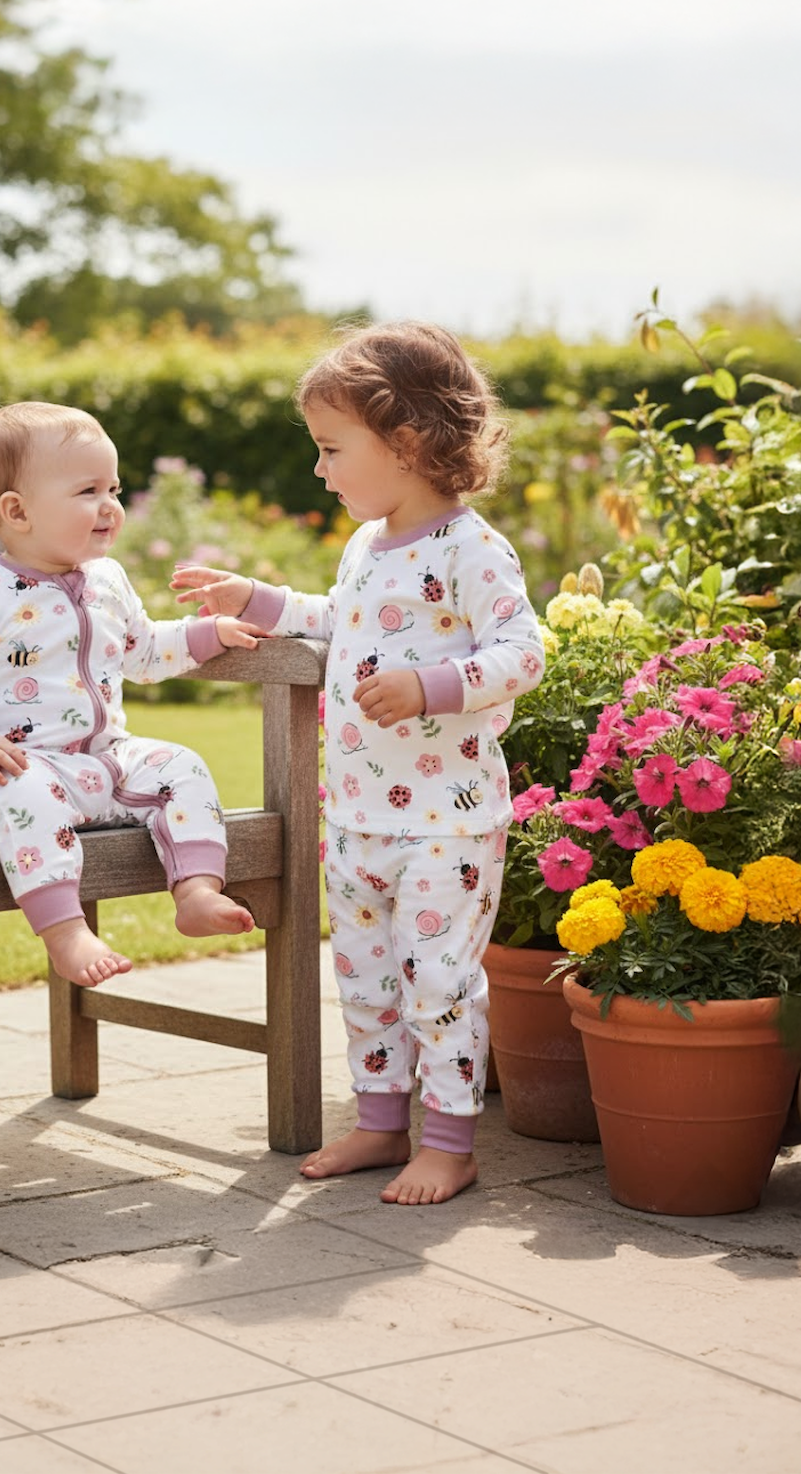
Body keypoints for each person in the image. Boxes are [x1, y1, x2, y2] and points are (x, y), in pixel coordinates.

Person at [172, 322, 545, 1205]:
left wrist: (432, 686)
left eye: (332, 449)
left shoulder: (471, 550)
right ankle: (381, 1125)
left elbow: (524, 653)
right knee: (368, 979)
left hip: (442, 824)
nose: (320, 470)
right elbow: (344, 616)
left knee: (438, 983)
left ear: (407, 444)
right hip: (356, 816)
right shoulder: (367, 544)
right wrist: (255, 598)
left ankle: (449, 1142)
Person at [0, 401, 264, 988]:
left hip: (102, 765)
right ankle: (65, 932)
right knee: (27, 790)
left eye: (115, 487)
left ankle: (197, 892)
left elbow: (145, 651)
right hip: (1, 780)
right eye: (88, 491)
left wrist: (207, 634)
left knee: (181, 765)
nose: (110, 505)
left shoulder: (108, 580)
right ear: (17, 511)